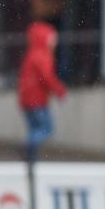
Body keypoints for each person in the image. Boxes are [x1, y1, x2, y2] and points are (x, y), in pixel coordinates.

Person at [18, 22, 67, 163]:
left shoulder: (31, 54)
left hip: (27, 100)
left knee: (34, 129)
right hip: (37, 100)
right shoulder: (43, 56)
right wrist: (60, 92)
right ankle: (27, 147)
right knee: (46, 129)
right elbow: (47, 78)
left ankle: (30, 158)